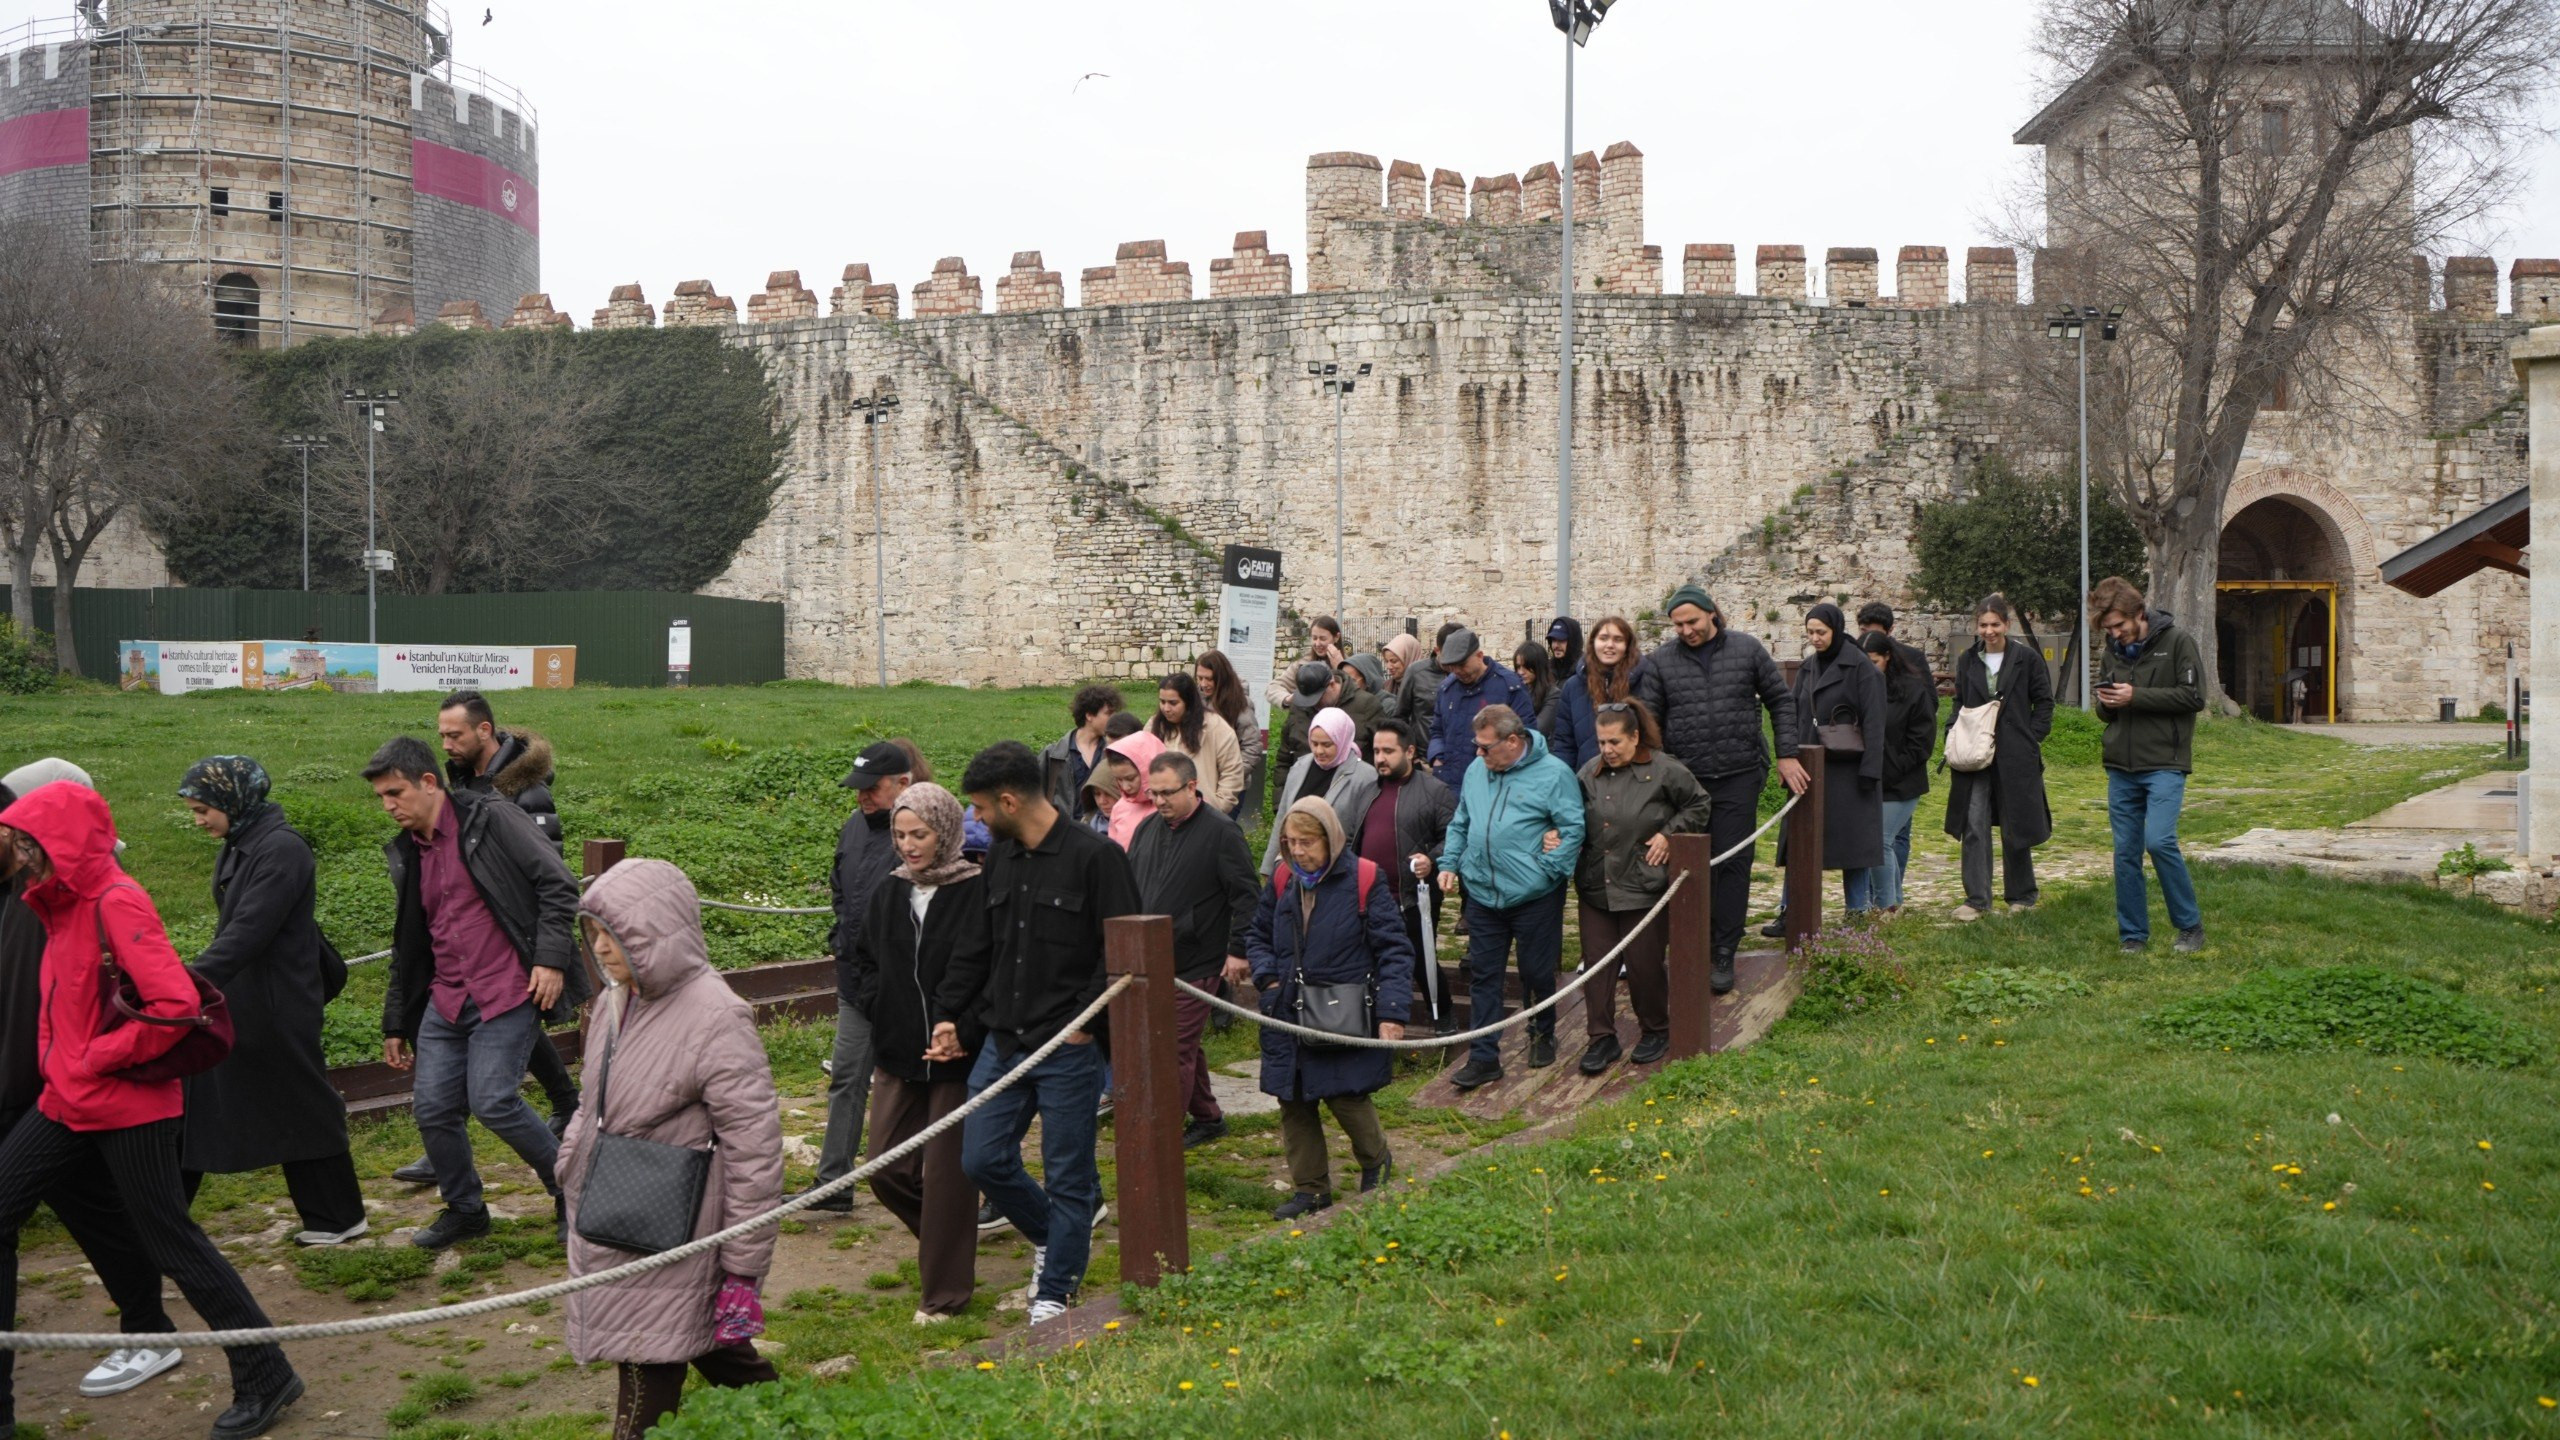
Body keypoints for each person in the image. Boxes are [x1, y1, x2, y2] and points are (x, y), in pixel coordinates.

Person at [0, 781, 304, 1440]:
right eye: (18, 843)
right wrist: (70, 1069)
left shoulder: (116, 898)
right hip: (66, 1100)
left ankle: (265, 1371)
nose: (21, 856)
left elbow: (176, 1005)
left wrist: (95, 1058)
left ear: (62, 842)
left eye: (29, 843)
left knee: (172, 1241)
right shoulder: (57, 903)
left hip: (128, 1103)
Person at [558, 858, 783, 1440]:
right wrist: (571, 1159)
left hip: (680, 1227)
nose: (600, 948)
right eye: (594, 933)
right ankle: (799, 1422)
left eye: (614, 934)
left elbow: (755, 1150)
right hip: (615, 1211)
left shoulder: (718, 1016)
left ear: (654, 933)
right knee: (708, 1346)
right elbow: (592, 1101)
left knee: (646, 1358)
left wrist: (742, 1266)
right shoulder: (616, 1002)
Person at [936, 741, 1140, 1326]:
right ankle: (1055, 1236)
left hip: (1068, 1048)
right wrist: (951, 1015)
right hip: (1003, 1041)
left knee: (1068, 1174)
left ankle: (1055, 1293)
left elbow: (1121, 953)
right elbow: (978, 946)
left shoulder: (1097, 859)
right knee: (981, 1159)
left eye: (979, 808)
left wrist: (1085, 1027)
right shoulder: (1000, 859)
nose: (975, 820)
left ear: (1008, 801)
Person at [0, 770, 182, 1416]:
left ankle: (159, 1333)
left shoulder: (81, 894)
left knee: (150, 1228)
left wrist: (85, 1062)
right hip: (46, 1087)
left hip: (58, 1089)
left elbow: (169, 1002)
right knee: (115, 1219)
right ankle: (156, 1330)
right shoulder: (35, 893)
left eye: (19, 833)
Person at [369, 735, 590, 1250]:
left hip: (508, 986)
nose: (388, 806)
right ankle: (466, 1210)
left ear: (429, 782)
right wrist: (396, 1020)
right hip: (446, 997)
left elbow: (557, 883)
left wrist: (550, 959)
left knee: (493, 1101)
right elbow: (408, 943)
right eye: (381, 797)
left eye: (395, 793)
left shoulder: (492, 817)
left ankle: (571, 1191)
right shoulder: (409, 850)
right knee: (432, 1109)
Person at [174, 757, 365, 1244]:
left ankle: (338, 1216)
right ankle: (162, 1216)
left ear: (232, 800)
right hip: (248, 997)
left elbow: (248, 930)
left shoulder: (280, 849)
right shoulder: (244, 842)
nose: (198, 822)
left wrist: (185, 985)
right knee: (220, 1098)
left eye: (202, 810)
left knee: (302, 1103)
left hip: (278, 1003)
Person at [390, 692, 578, 1185]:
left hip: (514, 945)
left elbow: (548, 871)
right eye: (442, 735)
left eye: (454, 735)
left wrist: (546, 953)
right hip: (466, 957)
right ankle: (451, 1139)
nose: (446, 744)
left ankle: (565, 1128)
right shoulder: (461, 782)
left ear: (484, 730)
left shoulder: (524, 792)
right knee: (492, 1049)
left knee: (499, 1073)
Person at [839, 781, 991, 1322]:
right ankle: (950, 1239)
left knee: (948, 1180)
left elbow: (989, 974)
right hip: (899, 1053)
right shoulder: (891, 890)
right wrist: (881, 1008)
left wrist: (964, 1030)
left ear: (945, 831)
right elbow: (865, 960)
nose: (908, 845)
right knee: (885, 1168)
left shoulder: (977, 891)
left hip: (957, 1060)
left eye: (919, 834)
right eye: (901, 835)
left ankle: (945, 1294)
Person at [1633, 585, 1807, 992]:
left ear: (1712, 613)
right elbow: (1650, 723)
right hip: (1686, 784)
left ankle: (1724, 949)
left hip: (1738, 775)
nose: (1686, 630)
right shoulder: (1661, 662)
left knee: (1733, 863)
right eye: (1678, 625)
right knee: (1689, 867)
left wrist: (1787, 753)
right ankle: (1694, 943)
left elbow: (1781, 701)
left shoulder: (1747, 650)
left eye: (1692, 621)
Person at [1248, 797, 1414, 1219]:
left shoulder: (1364, 878)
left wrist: (1392, 1013)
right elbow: (1258, 935)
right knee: (1293, 1100)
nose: (1298, 851)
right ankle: (1311, 1190)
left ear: (1330, 839)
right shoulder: (1282, 879)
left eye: (1307, 842)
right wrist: (1268, 980)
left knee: (1346, 1094)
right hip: (1286, 1010)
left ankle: (1376, 1161)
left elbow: (1394, 949)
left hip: (1341, 1009)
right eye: (1291, 842)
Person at [1436, 706, 1584, 1091]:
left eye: (1485, 747)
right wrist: (1450, 862)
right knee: (1484, 975)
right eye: (1477, 745)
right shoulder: (1477, 770)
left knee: (1536, 972)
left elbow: (1572, 828)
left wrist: (1546, 871)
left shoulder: (1554, 774)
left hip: (1535, 896)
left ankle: (1542, 1032)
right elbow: (1461, 821)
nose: (1478, 753)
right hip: (1483, 894)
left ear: (1513, 741)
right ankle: (1484, 1056)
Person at [1125, 754, 1259, 1149]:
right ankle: (1208, 1118)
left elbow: (1247, 896)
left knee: (1170, 1050)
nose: (1159, 800)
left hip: (1198, 960)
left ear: (1191, 786)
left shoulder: (1221, 832)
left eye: (1167, 793)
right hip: (1150, 959)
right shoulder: (1147, 828)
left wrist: (1238, 950)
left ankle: (1159, 1143)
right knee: (1179, 1044)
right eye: (1154, 793)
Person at [806, 741, 914, 1213]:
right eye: (858, 788)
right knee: (847, 1078)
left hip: (907, 988)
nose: (862, 796)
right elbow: (839, 887)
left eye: (872, 788)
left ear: (902, 783)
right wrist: (841, 936)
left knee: (924, 1088)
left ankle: (945, 1185)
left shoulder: (921, 829)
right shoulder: (853, 826)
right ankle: (833, 1184)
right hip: (855, 981)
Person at [1572, 701, 1710, 1073]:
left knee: (1644, 965)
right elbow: (1568, 813)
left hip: (1643, 884)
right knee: (1597, 967)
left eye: (1614, 742)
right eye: (1601, 742)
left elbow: (1699, 804)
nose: (1607, 750)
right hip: (1596, 884)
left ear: (1635, 737)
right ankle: (1601, 1037)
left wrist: (1669, 834)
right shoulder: (1588, 772)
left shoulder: (1665, 769)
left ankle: (1656, 1029)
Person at [2091, 576, 2209, 954]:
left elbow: (2194, 697)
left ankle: (2189, 926)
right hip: (2120, 766)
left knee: (2159, 841)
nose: (2114, 634)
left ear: (2138, 613)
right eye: (2108, 628)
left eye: (2119, 625)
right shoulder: (2111, 651)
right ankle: (2133, 936)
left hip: (2164, 763)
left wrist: (2136, 696)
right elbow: (2105, 712)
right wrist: (2107, 704)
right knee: (2125, 853)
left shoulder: (2178, 642)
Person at [1941, 594, 2054, 923]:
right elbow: (1960, 701)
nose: (1989, 631)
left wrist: (2030, 739)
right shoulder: (1968, 660)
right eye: (1983, 625)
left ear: (2006, 624)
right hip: (1975, 754)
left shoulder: (2027, 659)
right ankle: (1977, 899)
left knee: (2015, 824)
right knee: (1973, 824)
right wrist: (1953, 731)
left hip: (2015, 755)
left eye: (1995, 624)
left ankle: (2022, 895)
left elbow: (2044, 702)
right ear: (1976, 626)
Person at [1776, 605, 1888, 918]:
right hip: (1809, 767)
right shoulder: (1809, 667)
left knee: (1854, 844)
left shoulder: (1861, 668)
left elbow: (1875, 722)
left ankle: (1857, 910)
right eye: (1810, 632)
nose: (1815, 638)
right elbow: (1794, 713)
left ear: (1836, 630)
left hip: (1849, 770)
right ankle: (1790, 910)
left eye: (1821, 632)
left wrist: (1870, 771)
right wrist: (1789, 755)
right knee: (1800, 840)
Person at [1360, 720, 1455, 1030]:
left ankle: (1444, 1021)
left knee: (1420, 960)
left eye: (1388, 751)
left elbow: (1453, 837)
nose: (1380, 758)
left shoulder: (1435, 791)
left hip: (1413, 897)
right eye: (1376, 751)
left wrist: (1432, 859)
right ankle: (1370, 1024)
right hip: (1372, 896)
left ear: (1410, 751)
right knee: (1370, 960)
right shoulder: (1368, 790)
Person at [1856, 605, 1935, 906]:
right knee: (1875, 842)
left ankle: (1885, 907)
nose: (1868, 669)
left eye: (1874, 662)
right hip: (1870, 779)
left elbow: (1922, 739)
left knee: (1882, 841)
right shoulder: (1860, 689)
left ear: (1887, 656)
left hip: (1902, 781)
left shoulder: (1912, 689)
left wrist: (1895, 766)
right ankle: (1892, 904)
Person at [1264, 707, 1379, 876]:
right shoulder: (1300, 767)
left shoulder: (1365, 777)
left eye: (1327, 745)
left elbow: (1365, 835)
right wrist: (1269, 869)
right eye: (1314, 743)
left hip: (1337, 872)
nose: (1319, 751)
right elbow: (1282, 817)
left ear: (1343, 740)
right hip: (1293, 867)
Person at [1425, 627, 1537, 792]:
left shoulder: (1510, 687)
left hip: (1493, 784)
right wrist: (1437, 759)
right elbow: (1437, 731)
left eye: (1462, 665)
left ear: (1479, 656)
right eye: (1452, 667)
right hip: (1449, 784)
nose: (1457, 671)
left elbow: (1526, 736)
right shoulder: (1447, 689)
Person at [1547, 614, 1648, 773]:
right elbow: (1565, 743)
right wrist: (1566, 779)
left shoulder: (1646, 681)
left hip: (1635, 779)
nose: (1610, 645)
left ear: (1628, 645)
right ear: (1593, 643)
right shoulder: (1573, 687)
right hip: (1588, 779)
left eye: (1618, 639)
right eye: (1603, 638)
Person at [1149, 671, 1246, 816]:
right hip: (1160, 814)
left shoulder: (1216, 727)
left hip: (1203, 815)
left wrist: (1218, 807)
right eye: (1162, 702)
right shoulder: (1154, 726)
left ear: (1188, 702)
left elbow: (1232, 771)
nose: (1166, 708)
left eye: (1173, 703)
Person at [1194, 651, 1264, 823]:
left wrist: (1231, 777)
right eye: (1200, 678)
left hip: (1231, 787)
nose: (1203, 684)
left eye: (1209, 679)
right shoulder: (1194, 701)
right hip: (1201, 781)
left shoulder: (1240, 704)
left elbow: (1252, 747)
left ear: (1221, 677)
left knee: (1219, 830)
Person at [1040, 684, 1124, 825]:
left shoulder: (1114, 752)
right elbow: (1034, 798)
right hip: (1062, 830)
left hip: (1101, 830)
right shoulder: (1053, 755)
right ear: (1089, 715)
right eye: (1108, 713)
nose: (1114, 719)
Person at [1268, 660, 1337, 805]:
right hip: (1300, 797)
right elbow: (1284, 758)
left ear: (1331, 685)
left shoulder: (1359, 707)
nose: (1314, 704)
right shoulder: (1298, 708)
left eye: (1318, 698)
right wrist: (1280, 803)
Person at [1092, 730, 1167, 850]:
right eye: (1119, 780)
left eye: (1130, 778)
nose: (1125, 787)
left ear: (1148, 770)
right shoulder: (1120, 808)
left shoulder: (1171, 806)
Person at [1338, 654, 1389, 750]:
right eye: (1343, 680)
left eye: (1352, 680)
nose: (1346, 685)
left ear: (1368, 679)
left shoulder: (1388, 704)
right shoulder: (1343, 703)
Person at [1382, 632, 1433, 722]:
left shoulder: (1426, 687)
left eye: (1394, 661)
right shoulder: (1386, 686)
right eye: (1386, 661)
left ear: (1409, 657)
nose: (1389, 666)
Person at [1513, 641, 1562, 733]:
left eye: (1526, 667)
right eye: (1518, 667)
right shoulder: (1516, 691)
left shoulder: (1553, 695)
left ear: (1538, 667)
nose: (1521, 672)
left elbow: (1538, 729)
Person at [1546, 617, 1585, 682]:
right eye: (1553, 640)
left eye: (1561, 640)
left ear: (1573, 642)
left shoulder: (1584, 671)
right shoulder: (1547, 669)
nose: (1556, 645)